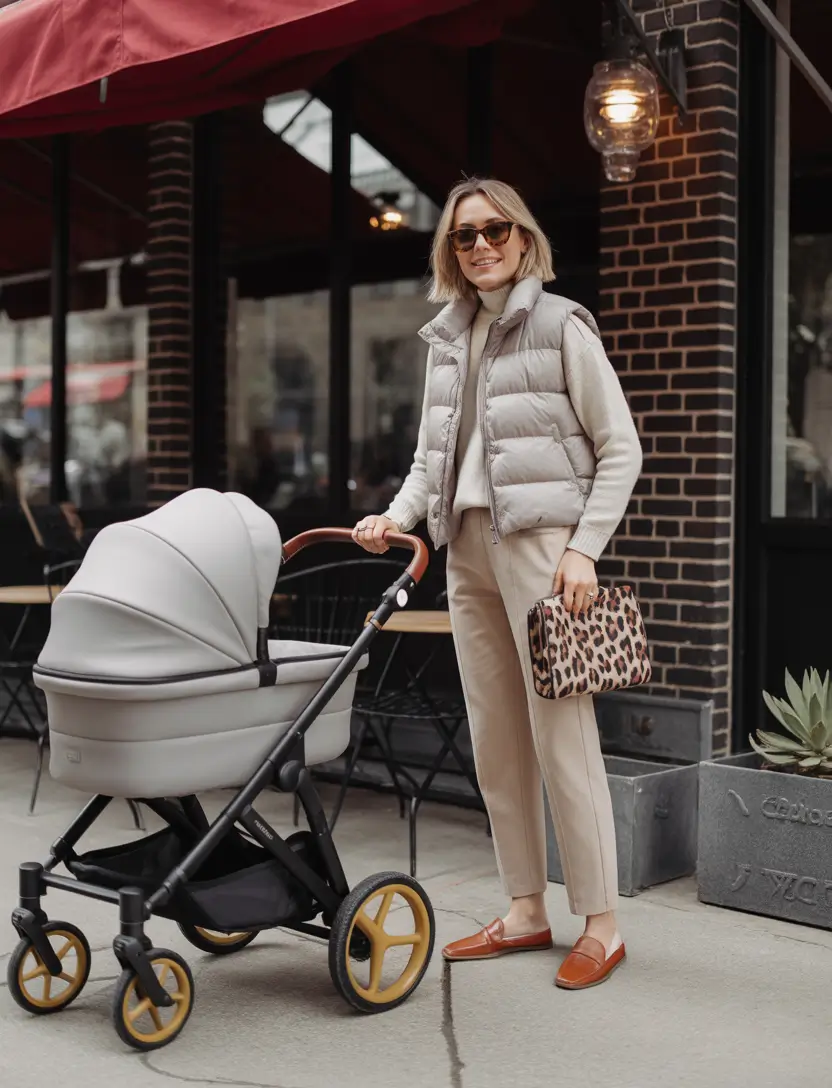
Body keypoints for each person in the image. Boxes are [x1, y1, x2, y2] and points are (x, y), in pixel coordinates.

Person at [351, 178, 642, 990]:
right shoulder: (446, 339)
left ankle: (601, 922)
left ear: (523, 237)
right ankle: (524, 908)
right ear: (450, 252)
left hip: (543, 550)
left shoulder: (559, 325)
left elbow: (621, 447)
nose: (480, 246)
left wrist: (584, 550)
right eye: (463, 237)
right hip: (468, 548)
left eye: (494, 230)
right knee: (495, 738)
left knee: (563, 738)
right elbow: (428, 462)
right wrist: (396, 519)